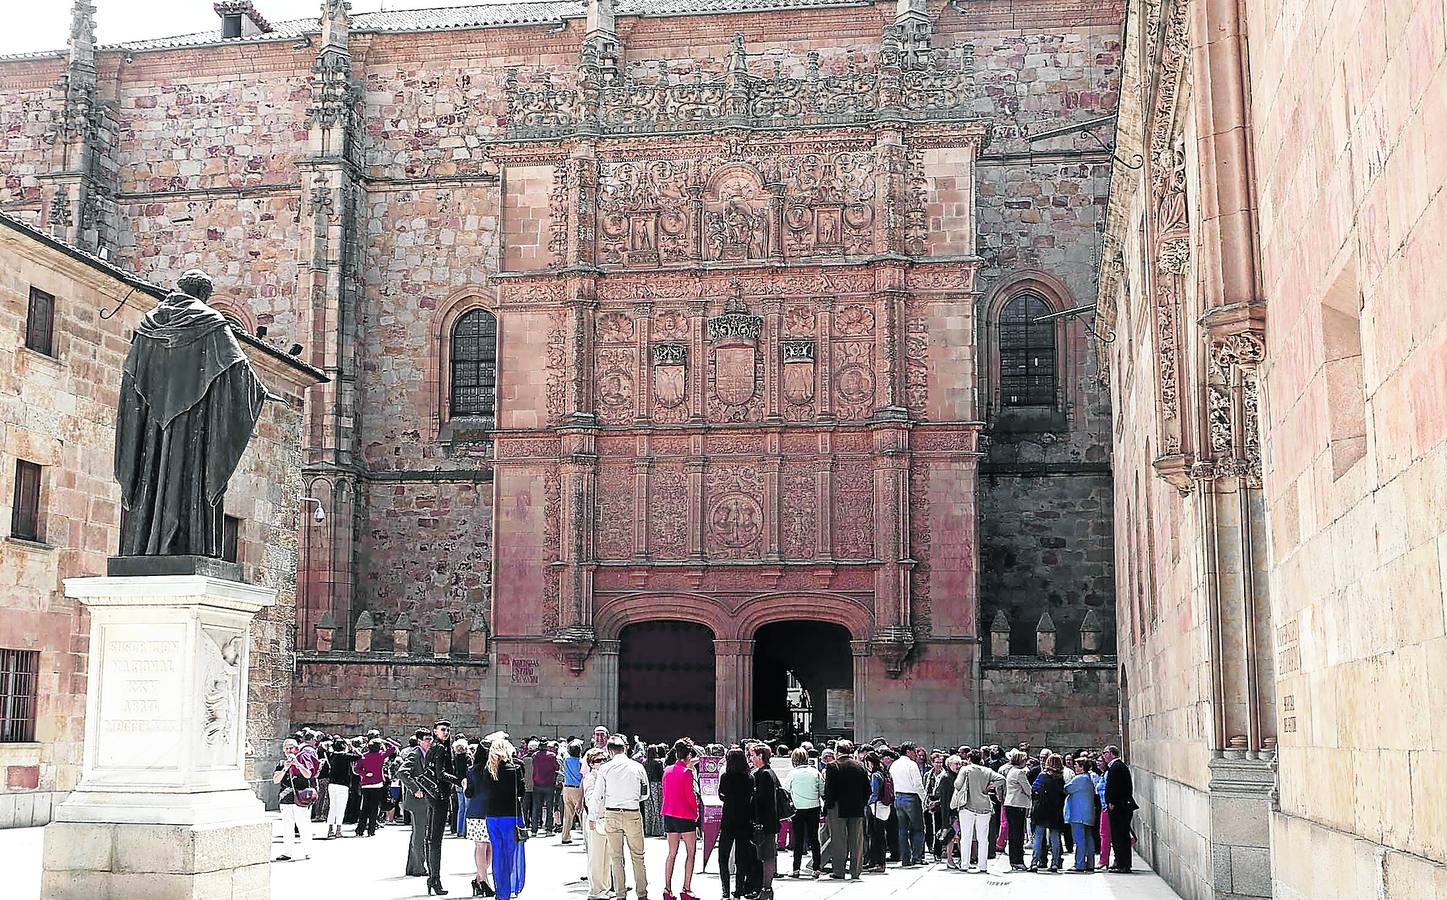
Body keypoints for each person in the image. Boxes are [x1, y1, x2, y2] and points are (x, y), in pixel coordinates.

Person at [590, 734, 650, 900]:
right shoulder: (637, 767)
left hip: (612, 813)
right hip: (632, 813)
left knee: (616, 857)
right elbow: (645, 793)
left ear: (610, 751)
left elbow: (597, 795)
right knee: (638, 856)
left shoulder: (605, 768)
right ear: (625, 748)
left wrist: (592, 817)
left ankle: (620, 894)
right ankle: (642, 894)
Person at [474, 739, 526, 900]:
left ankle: (500, 890)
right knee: (509, 853)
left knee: (497, 853)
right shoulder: (515, 769)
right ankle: (507, 888)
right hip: (510, 815)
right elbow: (521, 792)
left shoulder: (488, 770)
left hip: (492, 816)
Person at [422, 721, 461, 894]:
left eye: (447, 730)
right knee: (435, 838)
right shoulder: (440, 748)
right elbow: (440, 774)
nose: (446, 732)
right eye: (442, 730)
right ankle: (434, 879)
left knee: (431, 837)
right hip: (439, 796)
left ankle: (433, 878)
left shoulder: (436, 747)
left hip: (433, 796)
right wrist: (460, 781)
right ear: (435, 731)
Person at [822, 740, 869, 881]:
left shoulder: (832, 766)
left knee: (839, 840)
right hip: (856, 807)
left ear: (837, 751)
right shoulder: (860, 766)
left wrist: (827, 807)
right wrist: (862, 803)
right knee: (856, 841)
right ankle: (855, 871)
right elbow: (867, 789)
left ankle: (839, 871)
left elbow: (829, 790)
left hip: (838, 808)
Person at [660, 739, 700, 900]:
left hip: (669, 814)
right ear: (689, 755)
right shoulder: (687, 773)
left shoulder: (667, 770)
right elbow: (690, 796)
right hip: (685, 815)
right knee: (690, 853)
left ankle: (667, 888)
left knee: (672, 853)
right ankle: (686, 888)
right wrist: (696, 812)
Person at [953, 748, 1004, 873]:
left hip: (967, 807)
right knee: (983, 838)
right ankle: (983, 865)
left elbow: (957, 785)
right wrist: (991, 786)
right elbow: (1002, 779)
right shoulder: (988, 770)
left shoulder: (965, 769)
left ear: (969, 759)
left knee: (966, 836)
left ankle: (964, 864)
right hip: (984, 807)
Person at [717, 747, 756, 900]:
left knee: (723, 856)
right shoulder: (749, 777)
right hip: (744, 820)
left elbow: (721, 794)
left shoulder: (726, 777)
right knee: (742, 857)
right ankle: (739, 889)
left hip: (728, 820)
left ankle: (725, 889)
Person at [273, 737, 318, 861]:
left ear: (296, 749)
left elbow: (308, 775)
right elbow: (276, 780)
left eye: (291, 748)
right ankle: (287, 852)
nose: (289, 751)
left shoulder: (302, 760)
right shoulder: (282, 763)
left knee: (303, 826)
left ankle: (308, 851)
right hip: (286, 799)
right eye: (286, 748)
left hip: (300, 799)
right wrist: (285, 769)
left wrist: (297, 765)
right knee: (287, 827)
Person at [748, 744, 782, 899]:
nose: (751, 758)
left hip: (765, 823)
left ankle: (767, 889)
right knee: (765, 855)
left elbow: (762, 801)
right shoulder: (768, 773)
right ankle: (765, 888)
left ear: (761, 756)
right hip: (769, 822)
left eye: (753, 755)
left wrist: (757, 822)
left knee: (767, 856)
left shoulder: (764, 775)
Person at [464, 739, 496, 897]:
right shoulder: (491, 769)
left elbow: (469, 793)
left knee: (484, 846)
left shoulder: (472, 770)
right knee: (485, 846)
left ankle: (479, 879)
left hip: (477, 810)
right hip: (486, 810)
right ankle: (483, 881)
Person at [785, 747, 823, 878]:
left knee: (798, 839)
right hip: (814, 807)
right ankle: (817, 868)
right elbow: (822, 790)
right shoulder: (815, 772)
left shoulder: (792, 774)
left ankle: (796, 869)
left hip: (798, 808)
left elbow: (786, 790)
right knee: (814, 838)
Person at [888, 742, 927, 867]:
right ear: (908, 751)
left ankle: (905, 858)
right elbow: (918, 784)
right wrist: (924, 799)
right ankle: (917, 857)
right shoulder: (911, 765)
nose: (916, 753)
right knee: (918, 829)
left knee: (902, 830)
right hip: (911, 797)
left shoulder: (894, 765)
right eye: (914, 751)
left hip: (898, 797)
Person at [581, 747, 612, 900]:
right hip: (597, 819)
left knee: (607, 857)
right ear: (591, 764)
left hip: (608, 818)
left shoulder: (607, 777)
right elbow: (590, 799)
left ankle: (604, 888)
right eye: (598, 761)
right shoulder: (590, 778)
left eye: (604, 760)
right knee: (596, 856)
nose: (602, 763)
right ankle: (595, 890)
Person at [1102, 744, 1137, 873]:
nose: (1104, 756)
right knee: (1118, 836)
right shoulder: (1116, 767)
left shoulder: (1116, 767)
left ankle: (1123, 864)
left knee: (1120, 836)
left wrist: (1112, 802)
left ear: (1111, 753)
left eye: (1105, 753)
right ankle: (1120, 862)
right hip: (1119, 806)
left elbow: (1116, 788)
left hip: (1119, 807)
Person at [1029, 753, 1066, 873]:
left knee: (1038, 836)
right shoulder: (1060, 778)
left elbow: (1034, 789)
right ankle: (1055, 863)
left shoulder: (1042, 776)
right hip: (1055, 809)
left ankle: (1034, 862)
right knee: (1055, 837)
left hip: (1042, 808)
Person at [353, 736, 396, 837]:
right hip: (377, 783)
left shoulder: (364, 756)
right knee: (374, 808)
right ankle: (371, 830)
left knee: (364, 808)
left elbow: (356, 769)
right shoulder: (381, 755)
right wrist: (386, 741)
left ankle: (360, 829)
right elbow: (393, 749)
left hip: (366, 784)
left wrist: (364, 774)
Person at [321, 734, 360, 840]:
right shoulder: (346, 756)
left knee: (332, 807)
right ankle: (338, 830)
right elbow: (360, 756)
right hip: (343, 785)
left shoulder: (332, 755)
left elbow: (326, 749)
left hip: (332, 784)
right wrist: (351, 746)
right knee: (340, 807)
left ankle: (330, 830)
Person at [1064, 756, 1099, 872]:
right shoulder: (1088, 778)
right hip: (1088, 814)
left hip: (1078, 814)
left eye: (1077, 765)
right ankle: (1090, 863)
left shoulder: (1079, 779)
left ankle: (1079, 864)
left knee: (1079, 840)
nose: (1075, 767)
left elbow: (1067, 789)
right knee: (1088, 839)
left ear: (1082, 767)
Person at [1001, 749, 1033, 870]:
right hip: (1017, 805)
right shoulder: (1020, 773)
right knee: (1018, 834)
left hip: (1011, 804)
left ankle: (1014, 860)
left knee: (1013, 833)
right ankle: (1018, 860)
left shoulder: (1011, 771)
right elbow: (1028, 790)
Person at [863, 753, 889, 873]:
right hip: (885, 807)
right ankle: (877, 862)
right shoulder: (884, 772)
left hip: (876, 807)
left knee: (876, 836)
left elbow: (874, 793)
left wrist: (866, 803)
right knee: (880, 836)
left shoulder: (875, 775)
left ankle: (878, 862)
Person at [530, 740, 560, 836]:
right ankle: (548, 829)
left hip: (537, 783)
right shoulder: (552, 756)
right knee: (549, 807)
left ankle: (534, 830)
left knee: (536, 807)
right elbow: (556, 767)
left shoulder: (535, 755)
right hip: (549, 783)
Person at [560, 739, 586, 843]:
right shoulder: (580, 762)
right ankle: (586, 838)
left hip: (566, 788)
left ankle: (565, 837)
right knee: (581, 814)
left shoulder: (566, 759)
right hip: (577, 788)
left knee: (567, 815)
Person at [642, 743, 666, 838]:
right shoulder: (659, 762)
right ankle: (659, 829)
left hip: (647, 785)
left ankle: (649, 829)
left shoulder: (644, 762)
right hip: (657, 785)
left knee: (648, 808)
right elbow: (662, 775)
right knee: (658, 807)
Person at [453, 738, 473, 837]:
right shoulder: (468, 757)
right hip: (466, 783)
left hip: (458, 783)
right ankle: (465, 831)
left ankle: (459, 830)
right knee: (467, 807)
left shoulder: (455, 758)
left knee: (461, 808)